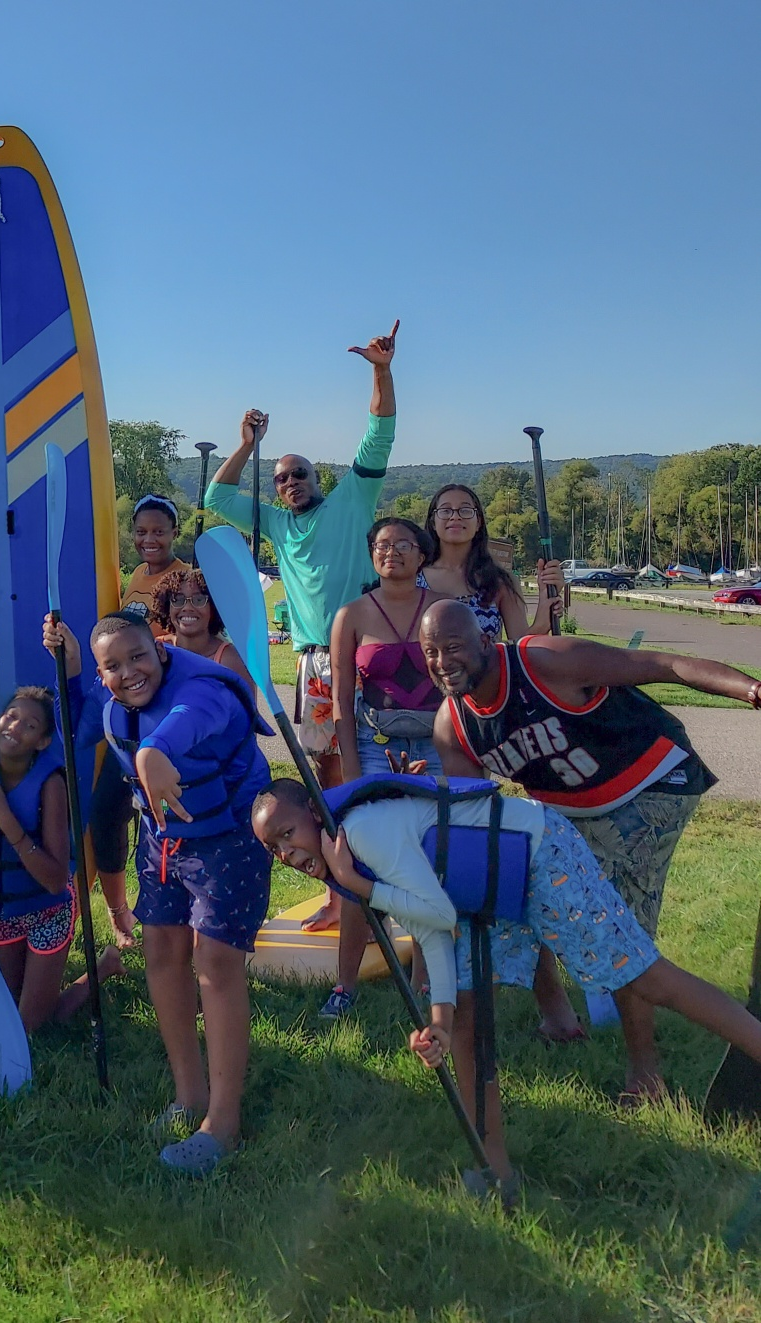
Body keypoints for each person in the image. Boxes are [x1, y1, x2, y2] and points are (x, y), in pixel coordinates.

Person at [252, 776, 761, 1196]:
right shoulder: (346, 857)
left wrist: (360, 886)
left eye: (287, 833)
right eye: (272, 847)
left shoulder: (360, 836)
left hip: (538, 854)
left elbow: (436, 911)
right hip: (485, 889)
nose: (283, 851)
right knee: (468, 1019)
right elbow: (431, 927)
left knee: (647, 979)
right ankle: (494, 1172)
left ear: (315, 814)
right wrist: (441, 1021)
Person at [420, 598, 761, 1099]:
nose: (443, 662)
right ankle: (558, 1018)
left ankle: (646, 1073)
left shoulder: (542, 662)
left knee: (619, 932)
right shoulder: (453, 725)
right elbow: (479, 818)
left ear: (486, 643)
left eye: (453, 647)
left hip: (652, 784)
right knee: (518, 883)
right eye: (431, 652)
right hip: (578, 809)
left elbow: (663, 665)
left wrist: (751, 688)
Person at [46, 610, 273, 1176]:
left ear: (163, 650)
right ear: (101, 675)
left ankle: (224, 1122)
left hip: (229, 836)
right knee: (161, 955)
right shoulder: (110, 706)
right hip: (165, 842)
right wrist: (71, 670)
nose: (129, 673)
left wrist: (152, 754)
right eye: (113, 667)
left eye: (138, 657)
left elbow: (183, 724)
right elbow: (84, 729)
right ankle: (188, 1095)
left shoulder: (204, 691)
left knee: (216, 963)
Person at [204, 320, 399, 793]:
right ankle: (339, 831)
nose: (291, 483)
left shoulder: (352, 501)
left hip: (367, 651)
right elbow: (217, 499)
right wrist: (247, 447)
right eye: (282, 479)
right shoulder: (275, 523)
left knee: (383, 751)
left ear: (317, 478)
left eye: (300, 474)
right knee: (325, 761)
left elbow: (379, 435)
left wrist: (381, 374)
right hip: (314, 660)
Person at [320, 517, 442, 1019]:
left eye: (403, 545)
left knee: (429, 859)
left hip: (438, 743)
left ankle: (424, 980)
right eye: (382, 545)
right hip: (374, 746)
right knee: (359, 862)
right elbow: (342, 702)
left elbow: (464, 686)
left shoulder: (443, 609)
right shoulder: (350, 615)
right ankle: (345, 984)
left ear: (421, 554)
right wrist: (352, 767)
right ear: (371, 554)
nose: (392, 553)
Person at [0, 687, 125, 1031]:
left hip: (48, 912)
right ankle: (90, 972)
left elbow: (55, 879)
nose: (14, 727)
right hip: (3, 911)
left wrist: (6, 820)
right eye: (11, 716)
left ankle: (103, 968)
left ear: (42, 742)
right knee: (5, 1014)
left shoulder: (51, 784)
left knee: (30, 1026)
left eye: (29, 726)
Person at [78, 493, 193, 950]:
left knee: (166, 814)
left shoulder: (185, 578)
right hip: (127, 716)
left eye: (158, 531)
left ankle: (183, 915)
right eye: (141, 531)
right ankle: (118, 913)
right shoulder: (134, 579)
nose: (150, 539)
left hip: (167, 716)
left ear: (173, 532)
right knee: (108, 809)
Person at [420, 485, 563, 640]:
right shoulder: (413, 578)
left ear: (478, 522)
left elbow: (519, 650)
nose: (455, 517)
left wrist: (542, 619)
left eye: (466, 510)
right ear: (433, 522)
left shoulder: (500, 581)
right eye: (446, 510)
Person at [151, 567, 252, 689]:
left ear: (214, 607)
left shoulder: (229, 660)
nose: (187, 607)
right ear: (167, 606)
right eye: (178, 600)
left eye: (199, 600)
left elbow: (247, 707)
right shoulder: (157, 649)